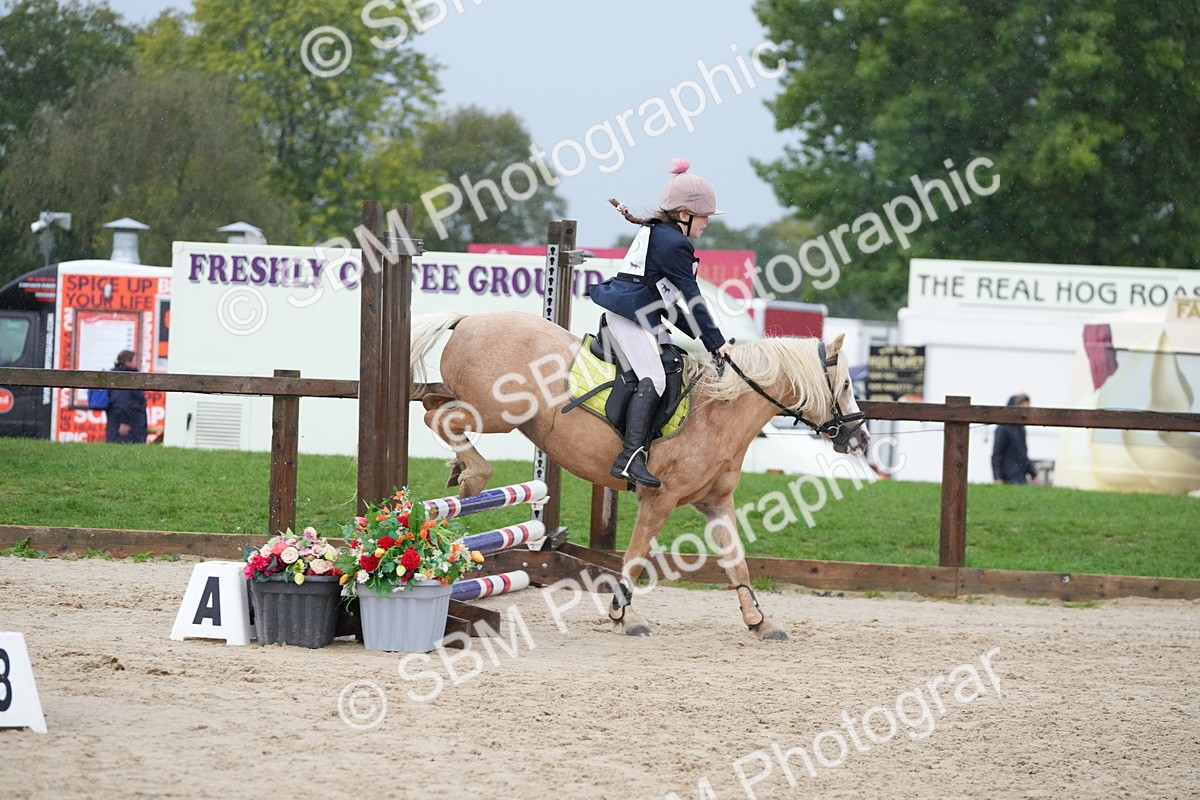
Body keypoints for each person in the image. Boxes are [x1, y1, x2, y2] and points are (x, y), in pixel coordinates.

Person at [587, 158, 735, 488]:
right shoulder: (674, 243)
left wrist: (706, 340)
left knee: (671, 362)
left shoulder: (663, 234)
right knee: (652, 378)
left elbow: (670, 307)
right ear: (685, 215)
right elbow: (692, 298)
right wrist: (718, 342)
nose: (708, 222)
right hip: (629, 317)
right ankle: (629, 458)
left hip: (641, 314)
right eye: (705, 216)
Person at [992, 393, 1037, 484]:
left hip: (1020, 477)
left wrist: (1034, 474)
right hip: (1007, 478)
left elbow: (1023, 455)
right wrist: (997, 477)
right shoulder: (1003, 429)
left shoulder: (1020, 429)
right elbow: (997, 454)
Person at [105, 349, 147, 444]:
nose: (138, 362)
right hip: (128, 426)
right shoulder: (125, 378)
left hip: (125, 423)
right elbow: (121, 401)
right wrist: (124, 422)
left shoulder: (117, 375)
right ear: (128, 361)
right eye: (135, 360)